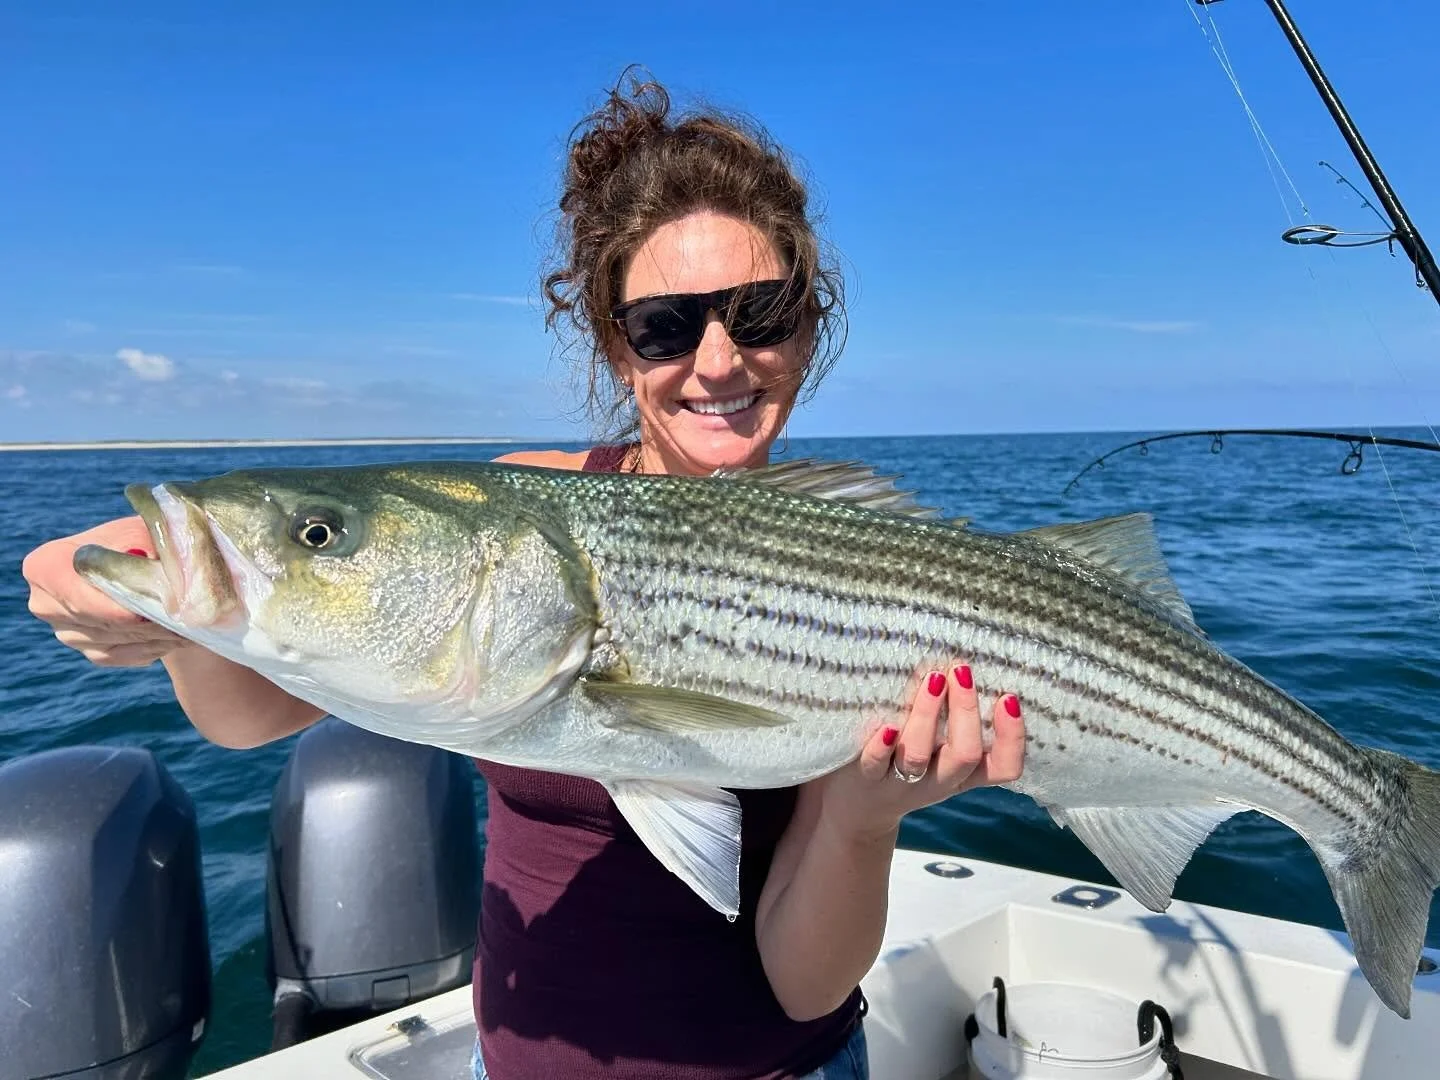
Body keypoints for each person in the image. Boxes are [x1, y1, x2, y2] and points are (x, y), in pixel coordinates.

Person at [22, 72, 1026, 1080]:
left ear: (809, 327)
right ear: (614, 343)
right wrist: (157, 597)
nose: (718, 362)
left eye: (760, 313)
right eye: (667, 326)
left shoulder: (854, 572)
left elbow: (807, 989)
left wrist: (861, 814)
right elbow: (244, 711)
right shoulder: (518, 507)